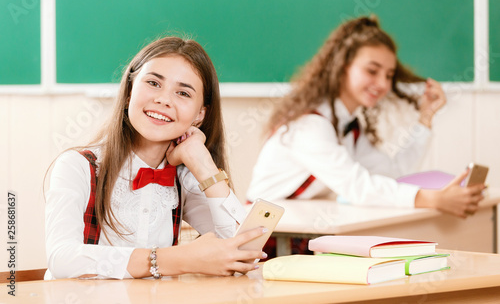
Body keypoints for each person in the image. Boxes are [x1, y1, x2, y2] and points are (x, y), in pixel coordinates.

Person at [45, 36, 267, 280]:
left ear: (199, 115)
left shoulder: (185, 177)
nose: (163, 99)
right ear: (129, 92)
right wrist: (176, 260)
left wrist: (203, 164)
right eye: (153, 83)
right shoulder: (79, 166)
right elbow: (62, 259)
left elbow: (245, 253)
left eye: (183, 93)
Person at [247, 16, 485, 222]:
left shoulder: (348, 127)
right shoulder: (308, 125)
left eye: (389, 75)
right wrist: (433, 199)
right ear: (342, 67)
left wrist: (426, 117)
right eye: (372, 71)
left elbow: (391, 172)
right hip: (265, 240)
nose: (382, 84)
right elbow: (357, 187)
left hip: (297, 231)